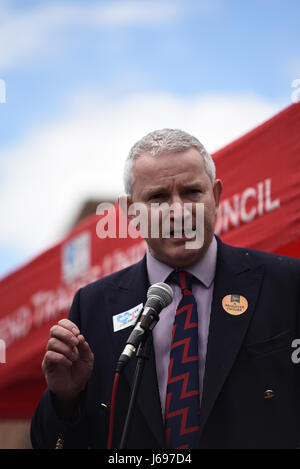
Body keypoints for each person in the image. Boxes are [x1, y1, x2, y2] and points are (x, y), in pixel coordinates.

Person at [31, 129, 300, 449]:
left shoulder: (286, 284)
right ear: (131, 212)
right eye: (158, 197)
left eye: (191, 192)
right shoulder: (94, 305)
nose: (178, 210)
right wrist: (64, 398)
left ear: (215, 197)